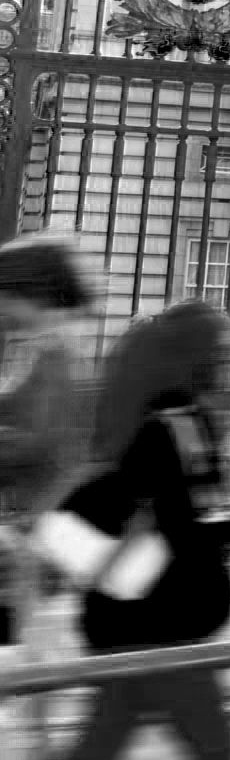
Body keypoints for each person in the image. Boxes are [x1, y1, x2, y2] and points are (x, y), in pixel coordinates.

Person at [31, 302, 230, 760]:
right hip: (162, 622)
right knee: (216, 749)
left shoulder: (165, 422)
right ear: (199, 358)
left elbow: (187, 514)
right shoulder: (178, 428)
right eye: (225, 353)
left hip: (128, 617)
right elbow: (187, 530)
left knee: (99, 748)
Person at [0, 238, 95, 651]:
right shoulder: (44, 349)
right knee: (35, 640)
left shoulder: (53, 352)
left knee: (35, 641)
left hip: (41, 517)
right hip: (38, 516)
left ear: (30, 295)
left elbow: (37, 438)